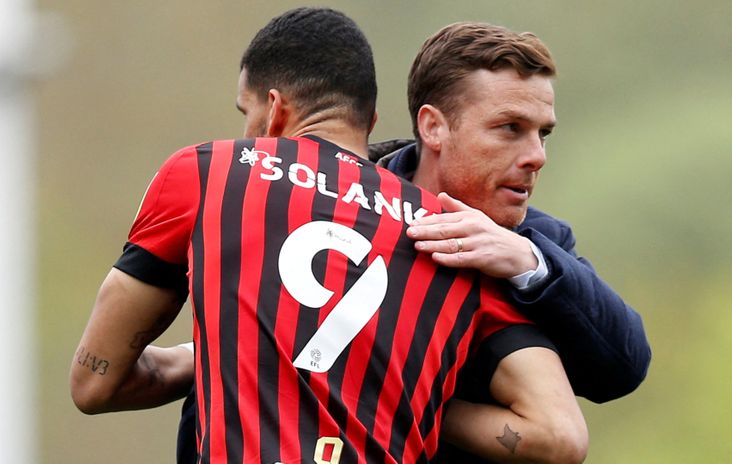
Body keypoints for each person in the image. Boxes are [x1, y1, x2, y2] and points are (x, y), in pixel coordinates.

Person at [70, 8, 586, 464]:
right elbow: (558, 435)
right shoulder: (454, 235)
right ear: (371, 121)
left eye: (245, 113)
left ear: (274, 109)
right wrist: (411, 396)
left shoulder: (211, 173)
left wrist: (216, 353)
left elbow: (95, 383)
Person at [365, 21, 652, 462]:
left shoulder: (542, 245)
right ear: (434, 127)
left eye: (544, 133)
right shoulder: (348, 206)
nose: (536, 155)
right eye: (510, 127)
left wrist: (527, 263)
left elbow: (623, 368)